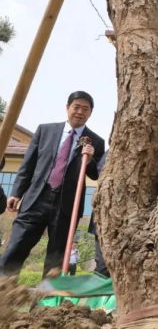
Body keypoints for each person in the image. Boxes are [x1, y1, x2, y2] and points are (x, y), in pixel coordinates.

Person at [0, 91, 105, 278]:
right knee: (15, 249)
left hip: (67, 207)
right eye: (76, 107)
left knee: (55, 261)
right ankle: (3, 293)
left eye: (85, 109)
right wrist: (16, 193)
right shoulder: (45, 130)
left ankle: (43, 303)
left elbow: (96, 174)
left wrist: (89, 160)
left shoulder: (96, 141)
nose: (80, 112)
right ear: (67, 108)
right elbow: (28, 165)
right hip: (36, 199)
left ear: (91, 113)